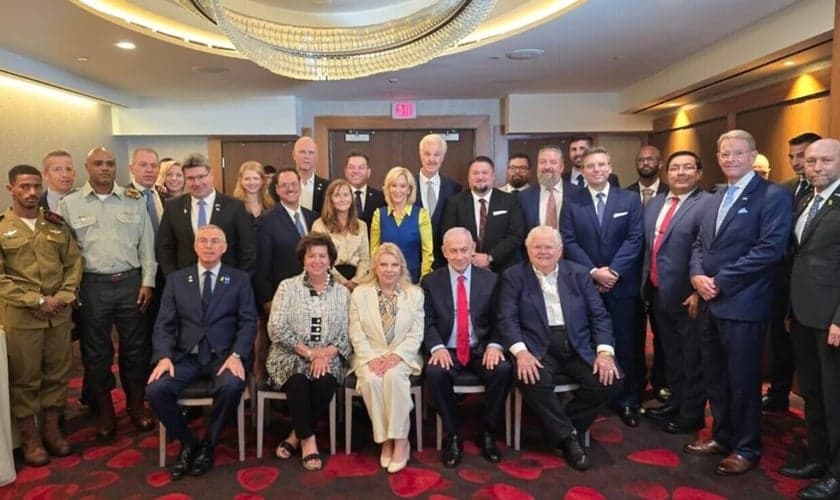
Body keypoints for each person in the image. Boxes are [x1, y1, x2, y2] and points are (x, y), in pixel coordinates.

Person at [687, 129, 791, 476]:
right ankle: (722, 435)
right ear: (717, 158)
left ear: (752, 155)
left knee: (743, 380)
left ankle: (747, 447)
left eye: (737, 153)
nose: (730, 158)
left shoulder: (772, 196)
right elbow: (700, 245)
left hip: (743, 303)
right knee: (715, 376)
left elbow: (770, 249)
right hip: (708, 302)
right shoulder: (713, 198)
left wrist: (721, 281)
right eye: (724, 153)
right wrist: (697, 276)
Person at [498, 226, 621, 470]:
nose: (543, 252)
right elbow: (507, 318)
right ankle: (570, 440)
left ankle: (563, 430)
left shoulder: (578, 273)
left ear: (560, 250)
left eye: (549, 247)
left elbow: (599, 316)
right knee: (533, 379)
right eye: (537, 247)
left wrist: (604, 352)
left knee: (610, 380)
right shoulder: (514, 275)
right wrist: (521, 352)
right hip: (536, 346)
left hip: (577, 345)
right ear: (527, 249)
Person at [59, 146, 157, 441]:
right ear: (87, 167)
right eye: (98, 163)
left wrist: (148, 281)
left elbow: (146, 245)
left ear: (117, 168)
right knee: (97, 352)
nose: (104, 168)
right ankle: (105, 412)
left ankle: (136, 406)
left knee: (135, 349)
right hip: (92, 286)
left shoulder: (134, 199)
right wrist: (71, 287)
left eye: (110, 164)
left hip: (130, 283)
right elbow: (66, 252)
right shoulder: (70, 203)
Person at [146, 224, 257, 480]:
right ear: (195, 246)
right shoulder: (176, 280)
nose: (209, 246)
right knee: (155, 389)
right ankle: (189, 442)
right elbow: (164, 323)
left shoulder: (239, 279)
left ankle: (209, 443)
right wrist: (163, 356)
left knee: (231, 386)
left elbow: (248, 322)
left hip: (223, 357)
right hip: (187, 357)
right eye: (203, 241)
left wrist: (238, 355)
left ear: (224, 247)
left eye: (215, 241)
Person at [0, 165, 82, 466]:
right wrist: (35, 299)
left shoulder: (55, 225)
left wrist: (62, 297)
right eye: (24, 187)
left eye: (35, 186)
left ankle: (51, 429)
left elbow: (74, 263)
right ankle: (30, 438)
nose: (31, 192)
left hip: (58, 315)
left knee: (58, 373)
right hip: (22, 318)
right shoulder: (2, 228)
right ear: (11, 189)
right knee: (25, 378)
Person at [561, 146, 644, 427]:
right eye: (590, 166)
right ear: (583, 171)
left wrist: (614, 271)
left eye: (601, 165)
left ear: (610, 168)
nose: (596, 170)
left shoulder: (629, 199)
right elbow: (568, 241)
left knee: (626, 342)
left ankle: (627, 399)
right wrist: (594, 272)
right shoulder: (573, 202)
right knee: (589, 341)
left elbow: (635, 239)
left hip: (621, 285)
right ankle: (597, 395)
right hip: (586, 284)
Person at [779, 138, 840, 499]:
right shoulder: (805, 199)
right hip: (803, 312)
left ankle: (837, 473)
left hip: (831, 319)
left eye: (826, 161)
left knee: (835, 398)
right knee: (814, 393)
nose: (816, 167)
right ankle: (818, 459)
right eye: (811, 160)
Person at [422, 228, 512, 468]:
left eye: (464, 250)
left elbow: (501, 319)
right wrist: (437, 347)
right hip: (448, 348)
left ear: (473, 249)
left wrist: (495, 345)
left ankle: (487, 431)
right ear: (444, 251)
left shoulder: (491, 280)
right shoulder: (431, 282)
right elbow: (426, 321)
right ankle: (453, 434)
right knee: (434, 373)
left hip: (480, 346)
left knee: (503, 370)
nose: (460, 256)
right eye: (453, 251)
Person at [266, 233, 351, 471]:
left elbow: (348, 331)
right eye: (311, 255)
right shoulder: (287, 287)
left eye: (322, 255)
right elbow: (276, 328)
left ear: (330, 259)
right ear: (303, 259)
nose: (316, 260)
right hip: (290, 354)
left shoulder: (342, 293)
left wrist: (325, 353)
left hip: (329, 356)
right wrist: (310, 354)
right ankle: (309, 440)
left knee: (324, 382)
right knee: (299, 382)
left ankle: (295, 435)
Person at [642, 151, 712, 434]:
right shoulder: (656, 202)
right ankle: (675, 403)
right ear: (666, 172)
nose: (680, 173)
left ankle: (692, 413)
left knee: (692, 357)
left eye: (687, 168)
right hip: (658, 292)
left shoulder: (707, 204)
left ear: (699, 172)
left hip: (688, 296)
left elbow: (708, 250)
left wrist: (697, 290)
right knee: (670, 354)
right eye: (674, 168)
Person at [348, 243, 424, 474]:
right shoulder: (360, 293)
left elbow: (416, 333)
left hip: (402, 354)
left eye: (394, 264)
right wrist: (371, 358)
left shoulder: (414, 294)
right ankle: (385, 441)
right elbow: (355, 331)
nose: (389, 269)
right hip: (368, 353)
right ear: (375, 267)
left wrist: (396, 356)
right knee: (371, 380)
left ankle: (400, 441)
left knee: (393, 378)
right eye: (384, 264)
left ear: (401, 267)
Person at [763, 131, 822, 413]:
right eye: (793, 157)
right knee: (781, 341)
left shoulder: (826, 193)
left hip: (816, 287)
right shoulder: (783, 190)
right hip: (781, 281)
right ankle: (778, 393)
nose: (798, 163)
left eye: (804, 156)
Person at [254, 168, 316, 383]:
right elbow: (261, 264)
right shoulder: (267, 220)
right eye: (285, 185)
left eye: (294, 184)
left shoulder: (312, 216)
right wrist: (267, 300)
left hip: (311, 295)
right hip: (281, 299)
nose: (290, 188)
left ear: (300, 186)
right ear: (277, 190)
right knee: (284, 348)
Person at [156, 153, 257, 276]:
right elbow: (164, 247)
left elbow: (248, 249)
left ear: (211, 175)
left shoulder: (235, 207)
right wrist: (173, 278)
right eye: (190, 178)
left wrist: (239, 281)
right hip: (185, 282)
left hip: (227, 282)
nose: (196, 183)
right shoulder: (173, 207)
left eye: (201, 176)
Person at [626, 145, 670, 404]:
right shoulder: (625, 194)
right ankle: (637, 381)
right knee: (634, 334)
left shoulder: (671, 193)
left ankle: (662, 383)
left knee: (664, 335)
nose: (645, 163)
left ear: (659, 163)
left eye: (650, 158)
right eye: (641, 159)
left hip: (662, 277)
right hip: (631, 277)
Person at [441, 156, 525, 272]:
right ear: (469, 177)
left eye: (485, 173)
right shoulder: (455, 202)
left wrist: (489, 257)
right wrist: (472, 258)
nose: (480, 177)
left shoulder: (509, 201)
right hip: (466, 269)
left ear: (493, 176)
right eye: (475, 173)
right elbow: (448, 234)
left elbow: (516, 235)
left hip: (502, 270)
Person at [371, 166, 433, 283]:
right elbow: (374, 252)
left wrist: (423, 280)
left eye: (402, 186)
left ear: (409, 189)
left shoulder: (422, 215)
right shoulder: (379, 215)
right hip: (385, 279)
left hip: (413, 280)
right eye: (393, 186)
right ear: (387, 189)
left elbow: (427, 253)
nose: (397, 190)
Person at [414, 134, 462, 268]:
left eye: (437, 154)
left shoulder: (455, 188)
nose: (431, 159)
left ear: (443, 157)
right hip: (413, 260)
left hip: (444, 262)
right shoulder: (407, 185)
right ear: (420, 155)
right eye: (427, 154)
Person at [312, 179, 370, 290]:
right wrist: (343, 282)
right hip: (330, 280)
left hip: (358, 282)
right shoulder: (319, 225)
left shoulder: (361, 225)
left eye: (346, 195)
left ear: (351, 198)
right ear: (330, 199)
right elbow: (320, 258)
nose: (342, 199)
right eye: (337, 195)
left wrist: (355, 281)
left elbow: (365, 258)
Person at [518, 145, 574, 233]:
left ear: (562, 167)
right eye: (542, 162)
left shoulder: (577, 193)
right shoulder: (523, 197)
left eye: (553, 162)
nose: (547, 167)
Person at [344, 151, 385, 228]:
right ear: (346, 172)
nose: (356, 171)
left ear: (368, 172)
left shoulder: (381, 198)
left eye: (361, 167)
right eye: (351, 167)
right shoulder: (337, 198)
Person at [128, 148, 163, 234]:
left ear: (159, 170)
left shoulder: (166, 197)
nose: (149, 170)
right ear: (132, 169)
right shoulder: (122, 197)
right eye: (143, 165)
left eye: (154, 166)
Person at [293, 137, 328, 215]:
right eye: (302, 152)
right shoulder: (283, 185)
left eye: (311, 152)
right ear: (294, 155)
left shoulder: (327, 186)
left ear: (316, 157)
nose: (307, 156)